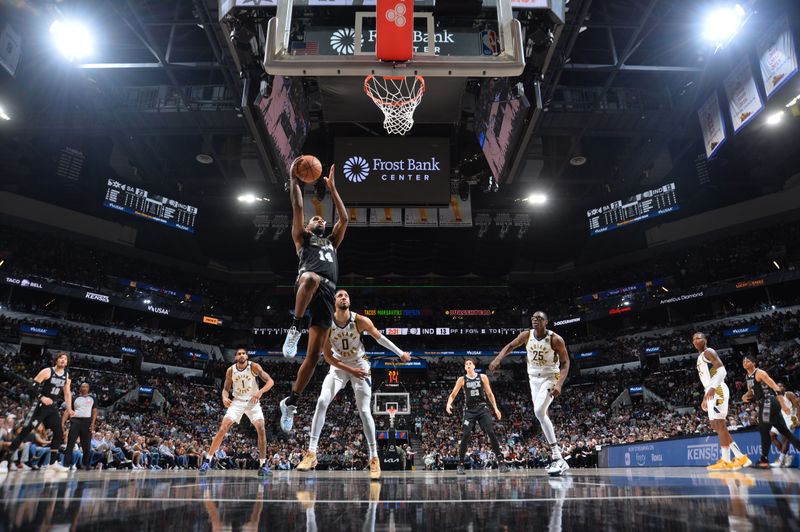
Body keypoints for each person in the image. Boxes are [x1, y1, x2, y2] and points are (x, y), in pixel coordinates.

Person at [295, 289, 410, 480]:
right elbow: (329, 357)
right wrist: (350, 371)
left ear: (349, 301)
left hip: (360, 364)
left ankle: (374, 458)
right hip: (339, 366)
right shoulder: (326, 324)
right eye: (340, 295)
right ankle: (311, 453)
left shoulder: (360, 320)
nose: (343, 297)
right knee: (322, 401)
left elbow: (380, 338)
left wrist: (400, 353)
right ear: (334, 302)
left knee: (364, 411)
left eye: (346, 295)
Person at [280, 158, 348, 434]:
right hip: (308, 283)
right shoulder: (302, 237)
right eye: (316, 217)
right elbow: (297, 206)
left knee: (313, 358)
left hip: (328, 294)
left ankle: (291, 402)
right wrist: (294, 179)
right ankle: (295, 326)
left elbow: (344, 219)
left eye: (322, 218)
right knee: (309, 277)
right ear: (308, 226)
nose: (320, 218)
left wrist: (333, 189)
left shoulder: (332, 242)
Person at [489, 311, 571, 476]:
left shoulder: (555, 339)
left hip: (550, 377)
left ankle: (557, 457)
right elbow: (511, 346)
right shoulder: (527, 335)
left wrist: (560, 384)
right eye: (533, 318)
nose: (535, 320)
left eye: (539, 318)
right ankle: (559, 459)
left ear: (546, 322)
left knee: (539, 411)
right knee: (541, 415)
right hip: (533, 379)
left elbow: (565, 362)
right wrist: (498, 358)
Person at [199, 347, 274, 477]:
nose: (241, 355)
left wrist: (259, 392)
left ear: (247, 356)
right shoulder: (231, 370)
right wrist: (224, 397)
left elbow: (270, 381)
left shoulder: (254, 367)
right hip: (237, 402)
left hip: (253, 402)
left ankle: (263, 465)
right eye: (239, 354)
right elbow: (225, 389)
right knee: (223, 428)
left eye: (243, 353)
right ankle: (207, 460)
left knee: (261, 429)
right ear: (235, 357)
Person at [0, 351, 73, 471]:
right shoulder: (47, 371)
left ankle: (52, 463)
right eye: (60, 358)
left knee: (59, 432)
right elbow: (32, 386)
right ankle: (4, 462)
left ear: (67, 362)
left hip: (52, 408)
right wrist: (42, 397)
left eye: (65, 359)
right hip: (39, 406)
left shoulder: (66, 375)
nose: (63, 360)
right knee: (25, 432)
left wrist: (69, 408)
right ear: (56, 360)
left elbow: (67, 393)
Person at [691, 332, 750, 470]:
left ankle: (726, 460)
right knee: (716, 426)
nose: (695, 340)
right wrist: (705, 396)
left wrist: (712, 388)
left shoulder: (709, 351)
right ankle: (741, 457)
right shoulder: (700, 357)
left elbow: (722, 371)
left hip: (717, 389)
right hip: (710, 390)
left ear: (705, 340)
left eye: (698, 338)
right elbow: (707, 379)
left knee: (719, 424)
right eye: (693, 339)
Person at [446, 358, 508, 475]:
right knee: (465, 434)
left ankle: (501, 462)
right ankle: (461, 464)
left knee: (490, 431)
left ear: (474, 366)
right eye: (466, 364)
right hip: (469, 411)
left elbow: (489, 394)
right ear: (465, 368)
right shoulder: (461, 379)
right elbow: (453, 394)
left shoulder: (482, 377)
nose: (468, 365)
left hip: (482, 408)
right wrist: (448, 404)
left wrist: (495, 408)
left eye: (470, 363)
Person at [742, 354, 800, 468]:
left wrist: (783, 405)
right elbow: (751, 392)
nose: (745, 362)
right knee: (785, 432)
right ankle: (764, 459)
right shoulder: (747, 376)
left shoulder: (760, 373)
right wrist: (745, 395)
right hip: (764, 403)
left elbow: (776, 388)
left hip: (769, 402)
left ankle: (763, 459)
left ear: (754, 363)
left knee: (764, 430)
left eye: (747, 361)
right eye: (743, 361)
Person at [62, 382, 96, 470]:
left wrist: (93, 423)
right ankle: (66, 464)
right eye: (82, 387)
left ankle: (85, 464)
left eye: (86, 387)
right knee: (70, 443)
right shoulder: (75, 398)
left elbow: (95, 411)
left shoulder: (92, 399)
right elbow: (67, 411)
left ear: (88, 388)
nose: (84, 388)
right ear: (80, 388)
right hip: (75, 421)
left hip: (87, 422)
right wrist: (62, 423)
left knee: (86, 445)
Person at [769, 390, 799, 467]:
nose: (778, 388)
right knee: (772, 435)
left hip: (790, 419)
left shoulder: (789, 394)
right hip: (780, 419)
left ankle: (780, 459)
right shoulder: (776, 398)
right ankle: (787, 457)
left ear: (784, 388)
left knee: (784, 438)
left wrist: (798, 419)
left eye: (780, 386)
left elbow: (798, 406)